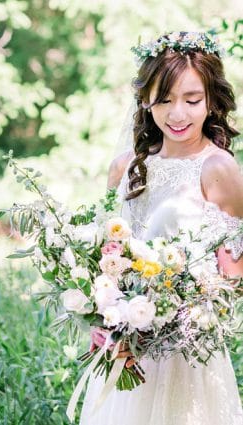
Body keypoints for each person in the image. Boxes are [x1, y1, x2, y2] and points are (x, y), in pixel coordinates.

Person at [79, 31, 243, 425]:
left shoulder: (218, 168)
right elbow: (106, 259)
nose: (178, 114)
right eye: (164, 99)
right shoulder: (125, 167)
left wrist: (177, 314)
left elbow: (235, 277)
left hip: (184, 355)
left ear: (211, 101)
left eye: (192, 99)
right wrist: (101, 318)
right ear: (145, 101)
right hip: (124, 348)